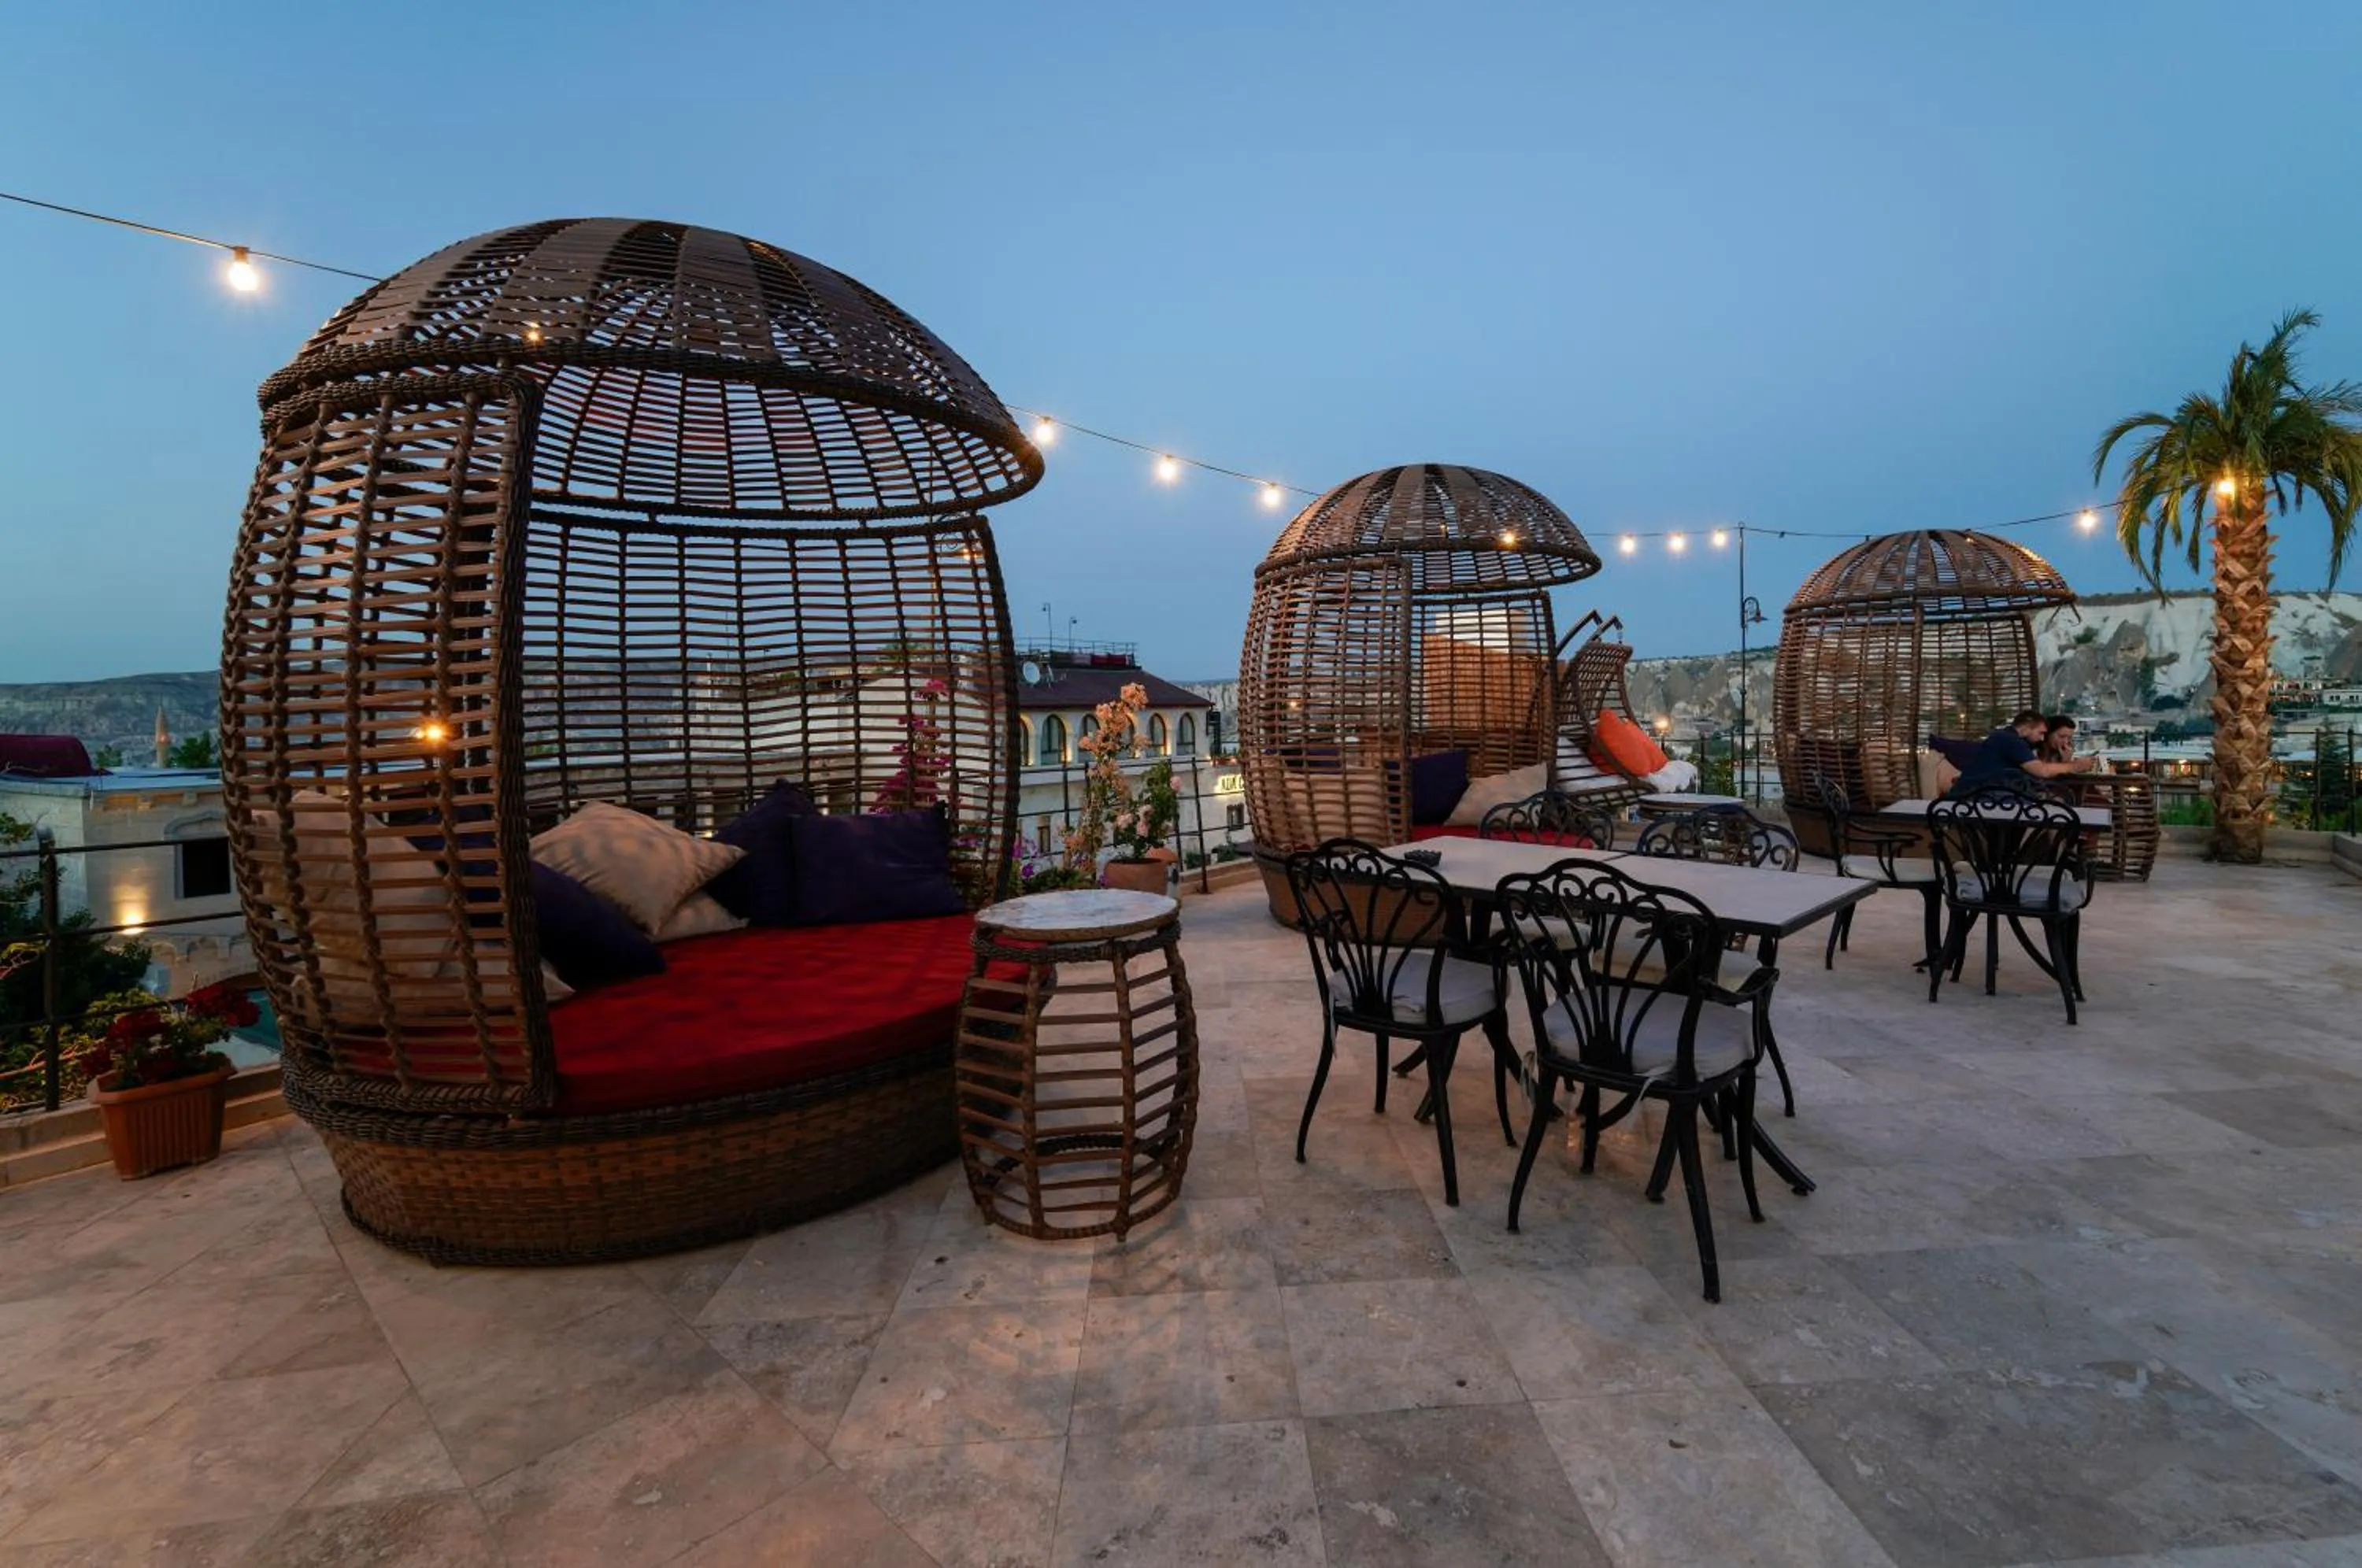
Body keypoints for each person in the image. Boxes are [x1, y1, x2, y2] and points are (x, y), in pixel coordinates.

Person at [1947, 708, 2098, 797]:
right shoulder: (2011, 741)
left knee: (2049, 806)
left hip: (1982, 795)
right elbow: (2041, 770)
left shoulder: (2006, 737)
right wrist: (2073, 766)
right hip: (1980, 797)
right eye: (2040, 732)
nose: (2042, 737)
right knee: (2049, 807)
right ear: (2026, 728)